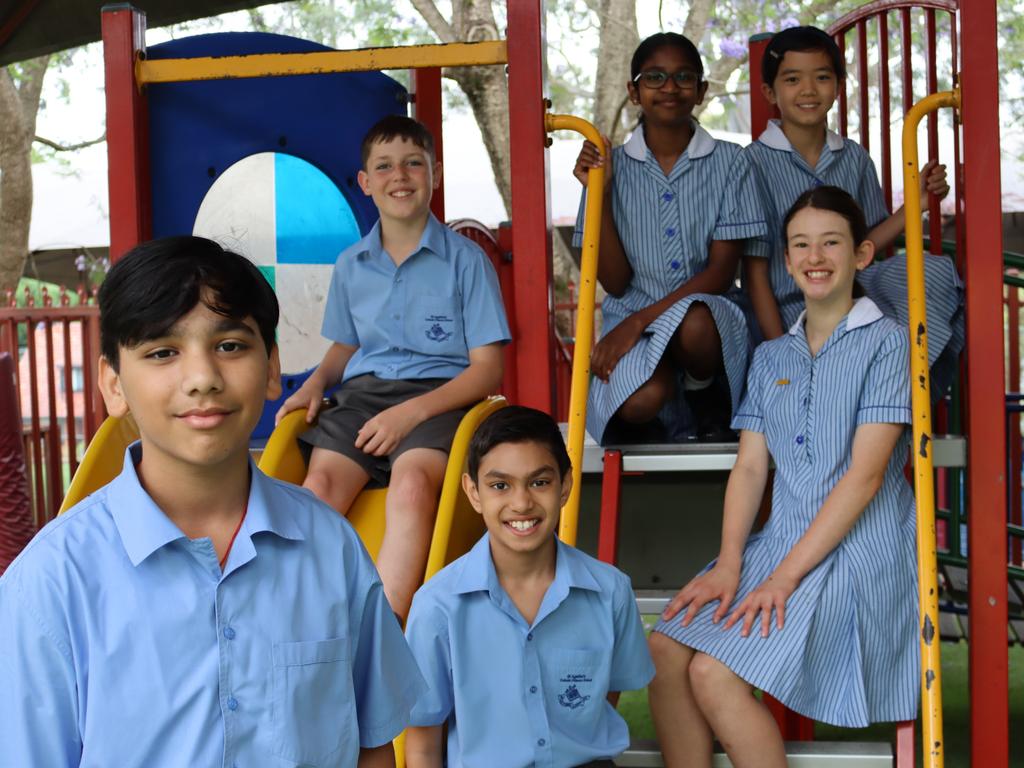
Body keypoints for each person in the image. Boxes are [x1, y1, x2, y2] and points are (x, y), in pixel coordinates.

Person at [0, 237, 425, 767]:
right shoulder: (50, 584)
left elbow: (372, 747)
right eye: (162, 352)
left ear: (272, 367)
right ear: (113, 384)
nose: (202, 378)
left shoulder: (332, 548)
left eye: (229, 345)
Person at [647, 187, 919, 767]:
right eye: (801, 245)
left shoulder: (889, 344)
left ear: (862, 255)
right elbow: (749, 468)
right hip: (779, 543)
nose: (815, 256)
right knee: (664, 648)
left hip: (856, 550)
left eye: (831, 243)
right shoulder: (773, 357)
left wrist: (782, 581)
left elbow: (865, 480)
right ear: (787, 262)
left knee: (713, 673)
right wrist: (729, 562)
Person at [276, 115, 510, 621]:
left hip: (441, 398)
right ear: (365, 182)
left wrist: (409, 415)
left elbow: (487, 369)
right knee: (317, 491)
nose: (398, 176)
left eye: (412, 163)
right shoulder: (351, 263)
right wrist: (316, 382)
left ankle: (386, 628)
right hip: (363, 397)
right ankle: (300, 616)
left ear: (435, 173)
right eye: (383, 166)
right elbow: (344, 346)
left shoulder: (466, 262)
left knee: (410, 486)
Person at [402, 406, 654, 768]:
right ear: (473, 492)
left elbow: (605, 695)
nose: (521, 503)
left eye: (539, 482)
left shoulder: (610, 591)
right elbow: (423, 744)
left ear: (565, 485)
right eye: (499, 485)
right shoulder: (437, 607)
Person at [744, 25, 962, 393]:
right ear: (770, 91)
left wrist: (918, 205)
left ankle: (900, 386)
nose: (809, 90)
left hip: (852, 296)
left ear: (838, 86)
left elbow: (867, 244)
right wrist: (778, 346)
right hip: (791, 306)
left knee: (934, 271)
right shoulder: (750, 163)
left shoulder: (854, 157)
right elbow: (754, 268)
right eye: (793, 79)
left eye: (822, 77)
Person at [572, 32, 767, 444]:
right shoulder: (612, 167)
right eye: (655, 77)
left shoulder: (731, 161)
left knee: (695, 322)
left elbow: (720, 272)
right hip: (633, 319)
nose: (669, 88)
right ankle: (660, 421)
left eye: (683, 77)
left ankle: (705, 396)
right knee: (643, 398)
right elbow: (616, 282)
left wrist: (640, 321)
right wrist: (600, 195)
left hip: (708, 321)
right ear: (634, 91)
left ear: (701, 91)